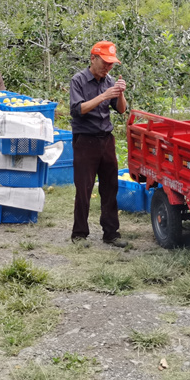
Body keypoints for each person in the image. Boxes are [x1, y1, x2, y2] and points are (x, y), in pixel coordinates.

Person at [69, 41, 129, 247]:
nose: (108, 67)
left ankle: (111, 233)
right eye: (105, 63)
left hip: (106, 140)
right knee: (84, 188)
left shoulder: (109, 80)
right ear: (93, 58)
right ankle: (79, 234)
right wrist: (104, 95)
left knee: (110, 187)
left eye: (111, 64)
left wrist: (119, 92)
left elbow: (121, 109)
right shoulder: (78, 80)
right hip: (85, 140)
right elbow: (78, 109)